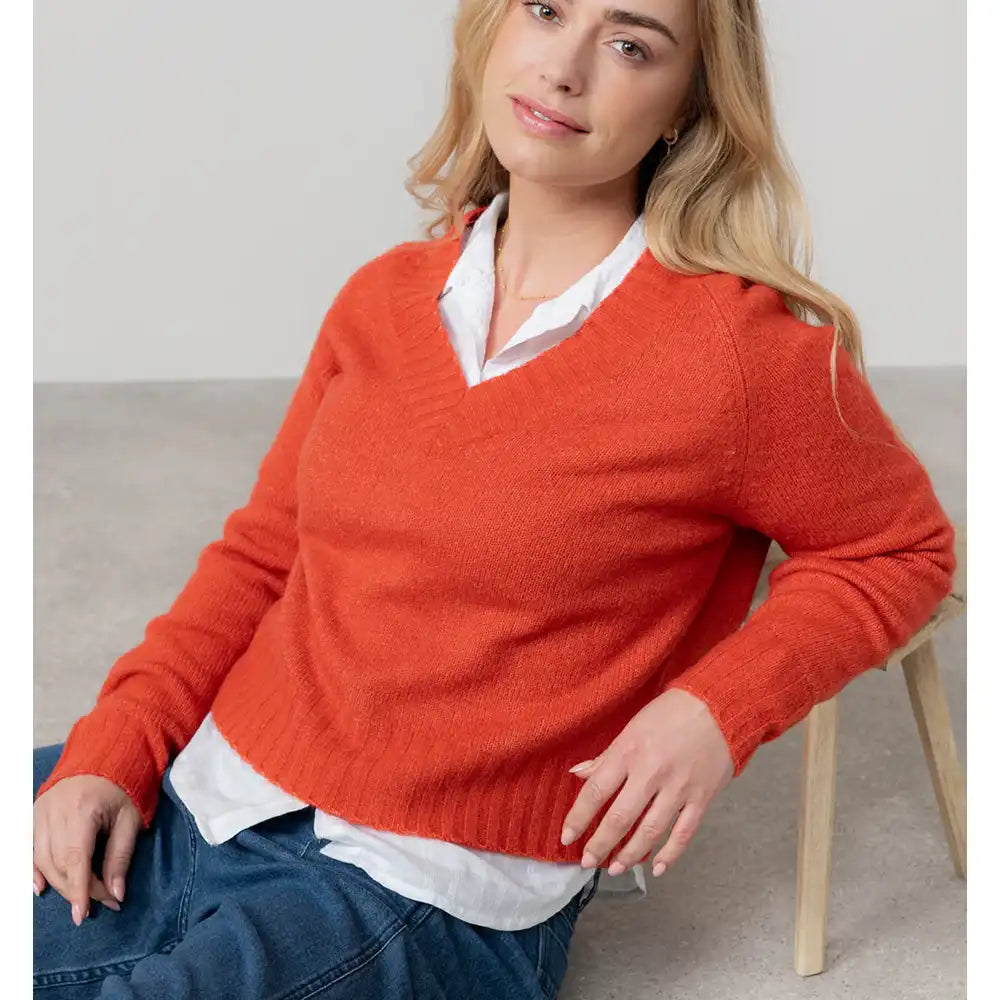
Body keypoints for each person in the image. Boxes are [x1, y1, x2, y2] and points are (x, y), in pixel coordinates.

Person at [33, 0, 957, 997]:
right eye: (545, 9)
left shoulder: (741, 354)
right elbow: (266, 553)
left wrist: (710, 712)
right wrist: (115, 745)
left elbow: (897, 550)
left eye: (630, 44)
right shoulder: (381, 297)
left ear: (689, 103)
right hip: (207, 784)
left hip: (422, 887)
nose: (564, 67)